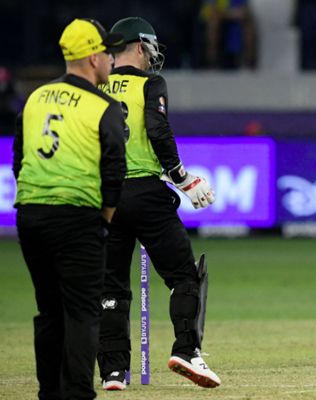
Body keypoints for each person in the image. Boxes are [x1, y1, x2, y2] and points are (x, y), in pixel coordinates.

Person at [96, 17, 220, 390]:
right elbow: (157, 128)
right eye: (149, 47)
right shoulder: (151, 83)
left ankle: (114, 372)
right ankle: (186, 350)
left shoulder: (95, 87)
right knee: (184, 275)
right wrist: (181, 177)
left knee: (111, 287)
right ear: (137, 46)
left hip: (105, 197)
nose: (152, 55)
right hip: (146, 194)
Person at [13, 18, 127, 399]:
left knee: (49, 312)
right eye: (108, 53)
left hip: (30, 215)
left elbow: (19, 158)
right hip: (77, 218)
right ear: (94, 57)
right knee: (82, 312)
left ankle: (50, 394)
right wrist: (104, 220)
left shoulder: (34, 98)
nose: (112, 59)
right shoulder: (103, 106)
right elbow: (115, 170)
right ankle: (77, 395)